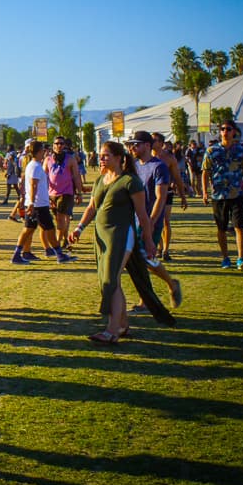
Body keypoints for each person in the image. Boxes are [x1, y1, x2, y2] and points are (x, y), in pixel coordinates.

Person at [70, 142, 176, 343]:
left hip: (121, 236)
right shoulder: (100, 180)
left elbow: (142, 215)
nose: (101, 159)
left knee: (111, 280)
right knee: (108, 281)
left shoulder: (130, 181)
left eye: (106, 155)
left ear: (119, 158)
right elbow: (92, 208)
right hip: (101, 237)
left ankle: (111, 331)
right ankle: (123, 325)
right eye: (101, 155)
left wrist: (149, 241)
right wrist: (79, 228)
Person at [128, 132, 184, 309]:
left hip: (151, 219)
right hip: (135, 219)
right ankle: (168, 285)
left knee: (144, 258)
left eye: (136, 144)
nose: (133, 148)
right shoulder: (135, 165)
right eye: (131, 144)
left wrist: (151, 222)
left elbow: (160, 197)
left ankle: (155, 294)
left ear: (147, 145)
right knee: (139, 260)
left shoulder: (159, 167)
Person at [201, 120, 243, 269]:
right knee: (221, 228)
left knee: (239, 227)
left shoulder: (241, 150)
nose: (225, 131)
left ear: (234, 132)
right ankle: (225, 258)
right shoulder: (212, 150)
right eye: (222, 129)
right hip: (218, 195)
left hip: (237, 194)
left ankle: (241, 258)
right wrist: (204, 192)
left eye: (228, 129)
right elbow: (205, 172)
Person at [12, 140, 74, 264]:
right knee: (49, 229)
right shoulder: (35, 166)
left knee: (29, 229)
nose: (45, 152)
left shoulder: (33, 165)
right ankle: (59, 255)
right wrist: (32, 203)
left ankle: (17, 255)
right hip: (38, 205)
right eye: (44, 150)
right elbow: (33, 185)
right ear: (40, 151)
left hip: (36, 203)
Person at [150, 132, 189, 260]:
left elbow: (177, 178)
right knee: (153, 222)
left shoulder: (169, 158)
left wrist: (183, 196)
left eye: (154, 140)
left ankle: (166, 250)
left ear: (161, 143)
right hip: (151, 195)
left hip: (167, 193)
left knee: (166, 221)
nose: (151, 142)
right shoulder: (147, 157)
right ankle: (158, 247)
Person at [44, 137, 83, 252]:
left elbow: (76, 176)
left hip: (66, 192)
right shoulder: (48, 160)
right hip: (52, 193)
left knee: (61, 218)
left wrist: (79, 193)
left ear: (65, 145)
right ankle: (65, 239)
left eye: (61, 143)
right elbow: (44, 177)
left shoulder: (70, 159)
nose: (59, 145)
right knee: (59, 219)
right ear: (53, 145)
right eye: (57, 143)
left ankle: (57, 244)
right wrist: (43, 194)